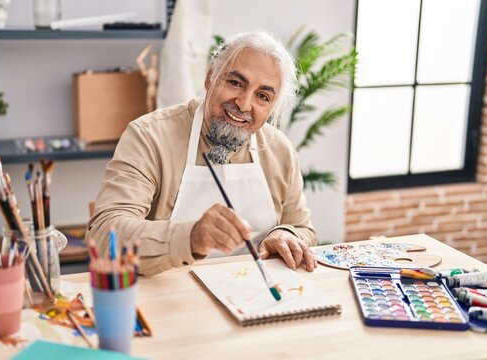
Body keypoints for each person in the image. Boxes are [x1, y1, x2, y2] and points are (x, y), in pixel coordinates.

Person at [86, 30, 317, 276]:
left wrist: (284, 234)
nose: (244, 103)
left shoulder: (279, 150)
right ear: (210, 78)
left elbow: (302, 227)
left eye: (262, 96)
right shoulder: (149, 136)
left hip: (254, 294)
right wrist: (192, 237)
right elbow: (104, 235)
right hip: (168, 297)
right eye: (235, 83)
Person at [136, 44, 159, 113]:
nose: (154, 61)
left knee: (159, 109)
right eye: (152, 59)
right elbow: (139, 60)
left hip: (157, 91)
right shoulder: (149, 71)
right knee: (150, 110)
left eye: (155, 59)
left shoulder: (158, 71)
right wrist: (147, 48)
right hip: (150, 90)